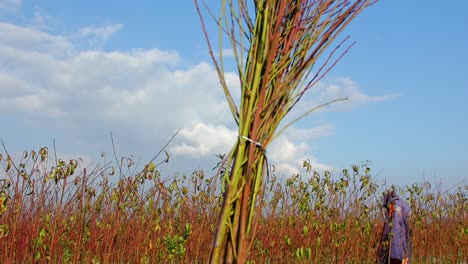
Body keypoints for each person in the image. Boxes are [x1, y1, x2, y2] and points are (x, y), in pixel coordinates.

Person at [377, 191, 412, 264]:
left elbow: (389, 235)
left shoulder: (393, 216)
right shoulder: (401, 213)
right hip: (400, 253)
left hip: (395, 254)